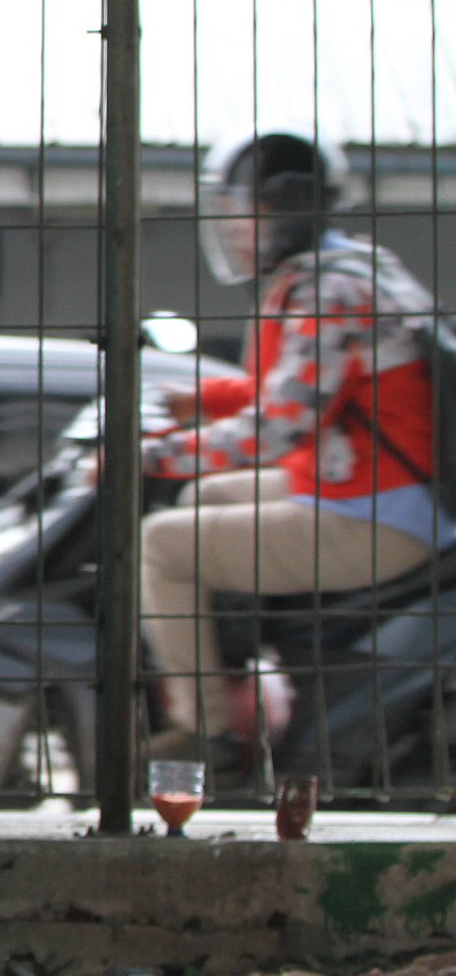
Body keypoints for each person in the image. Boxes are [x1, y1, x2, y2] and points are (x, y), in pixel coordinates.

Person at [140, 131, 450, 757]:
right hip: (371, 480)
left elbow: (280, 426)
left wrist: (145, 459)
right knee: (206, 496)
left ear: (285, 205)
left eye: (240, 210)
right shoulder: (354, 264)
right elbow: (301, 383)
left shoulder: (328, 291)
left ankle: (208, 734)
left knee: (163, 545)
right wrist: (200, 401)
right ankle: (246, 672)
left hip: (376, 512)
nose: (231, 228)